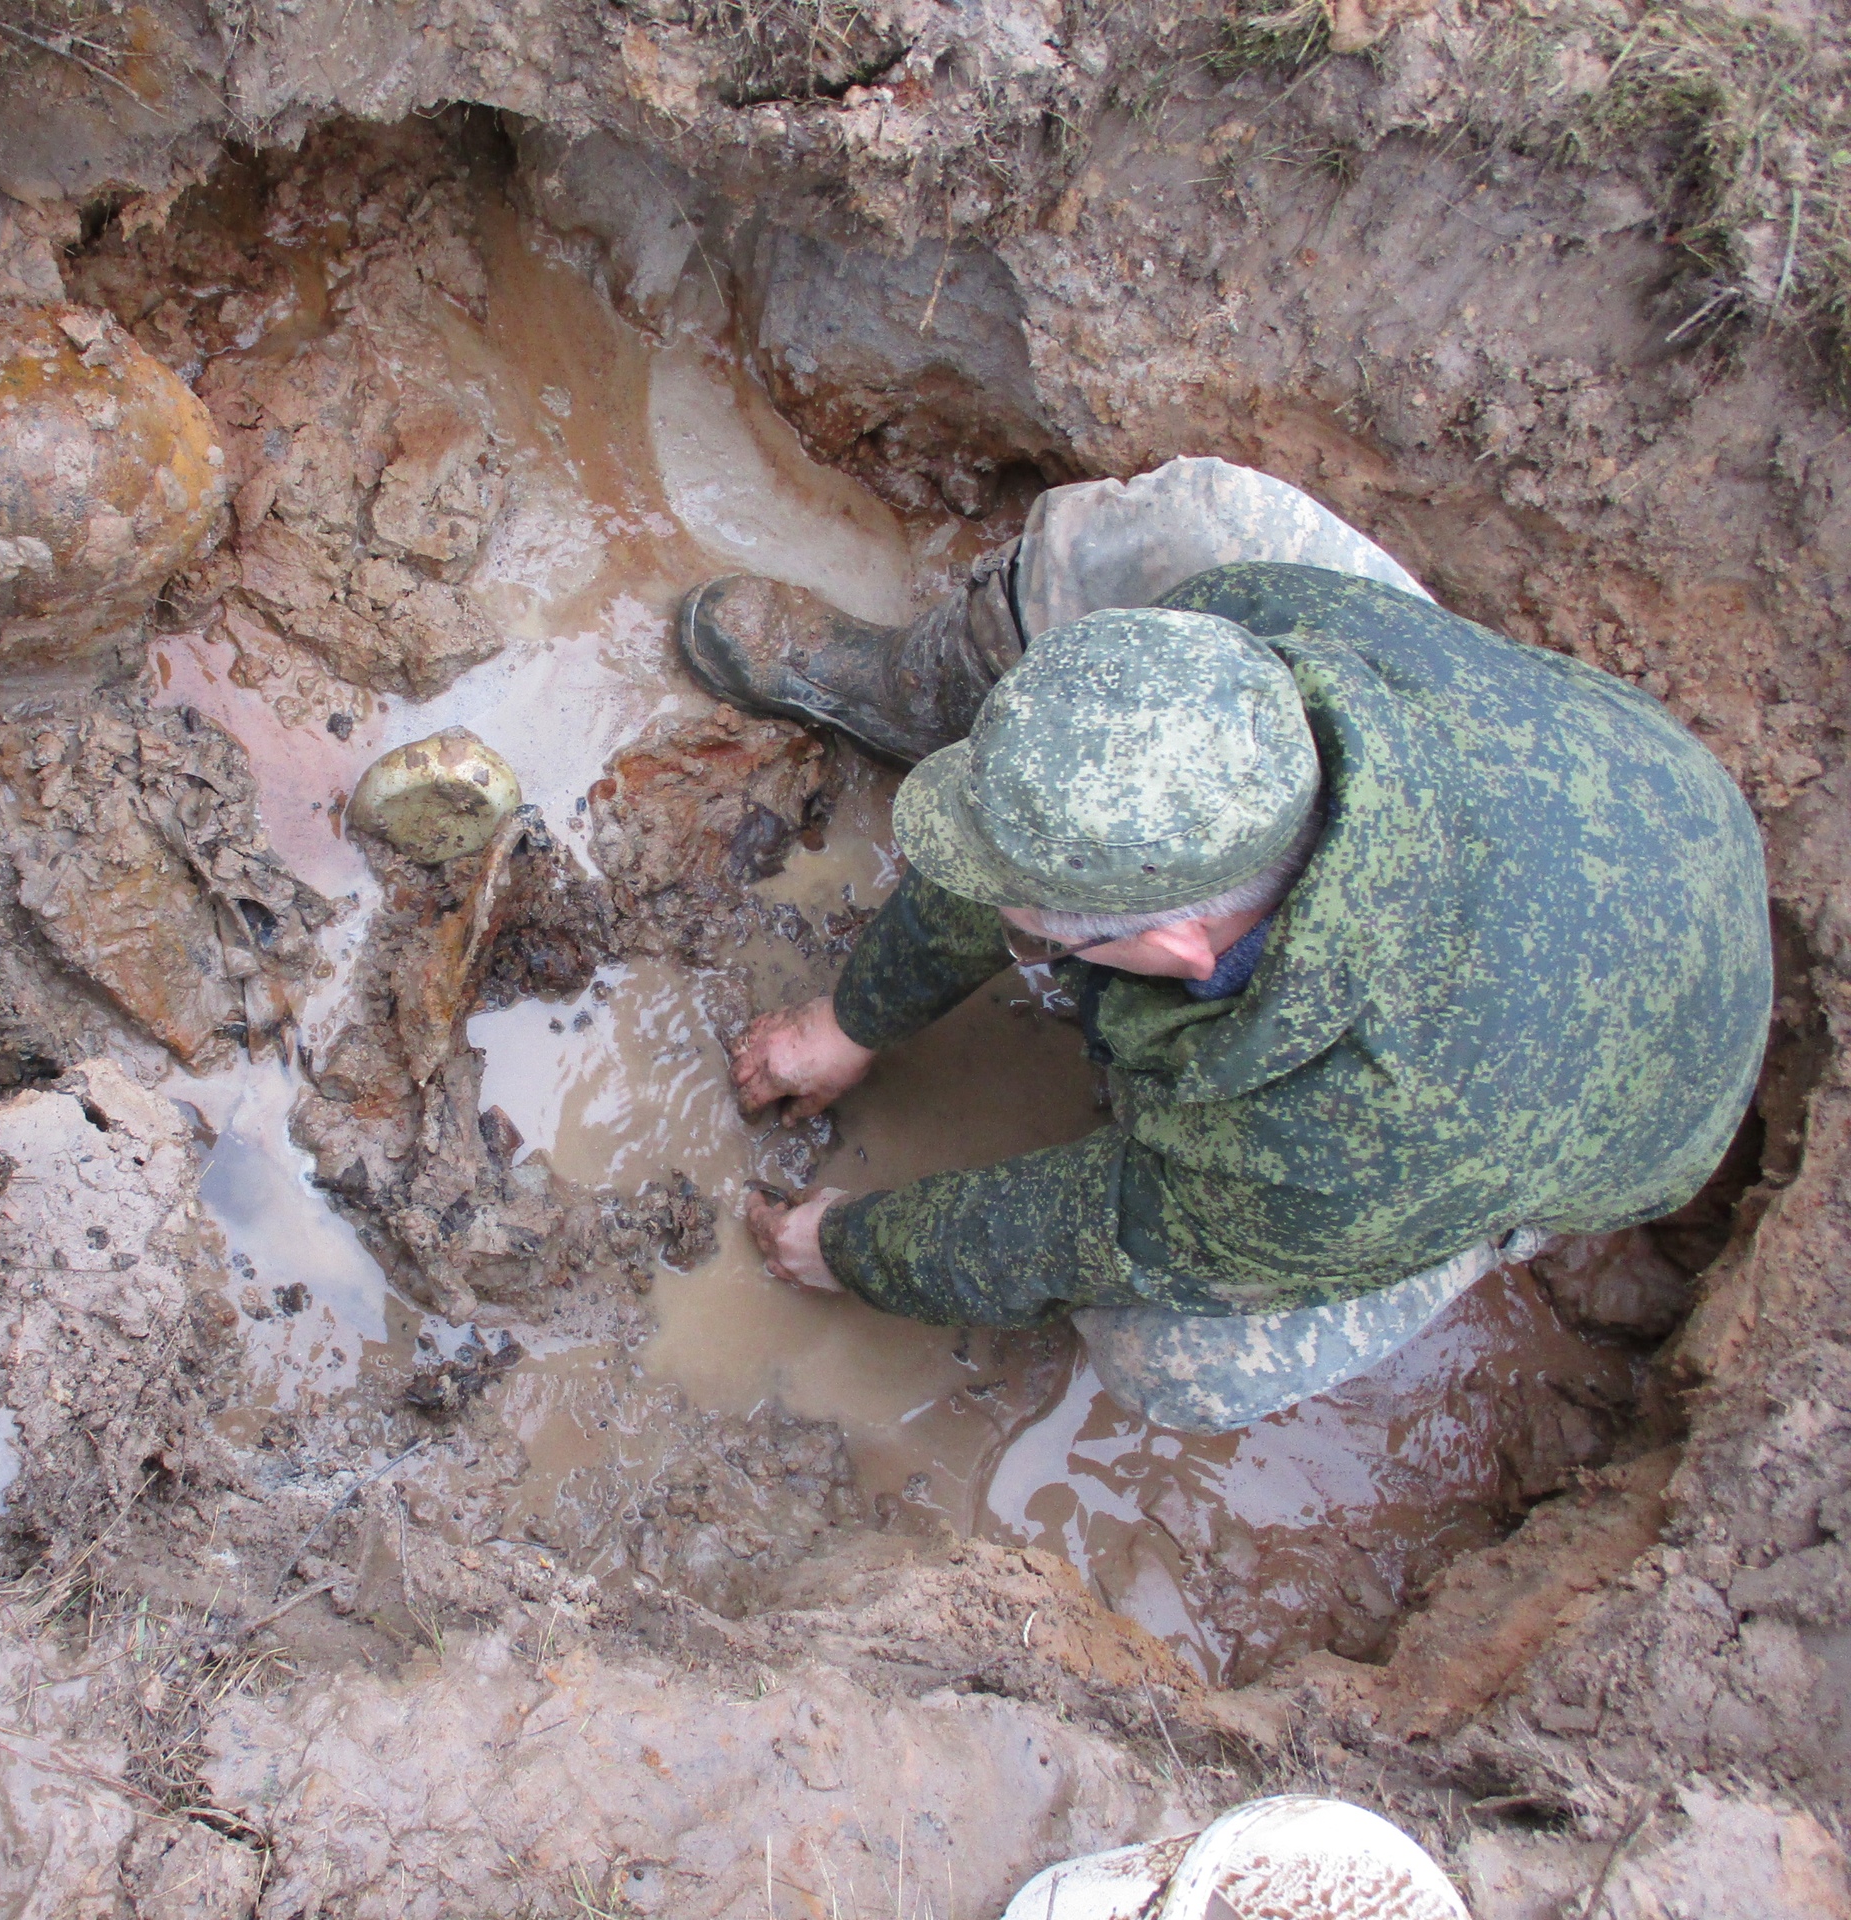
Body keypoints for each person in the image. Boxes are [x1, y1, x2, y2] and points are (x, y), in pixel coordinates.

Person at [688, 458, 1772, 1431]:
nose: (1014, 920)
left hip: (1562, 1112)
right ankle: (915, 684)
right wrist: (853, 1019)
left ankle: (1469, 1234)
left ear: (1176, 946)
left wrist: (847, 1248)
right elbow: (1045, 853)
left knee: (1173, 1369)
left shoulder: (1344, 1154)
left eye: (1037, 929)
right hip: (1603, 794)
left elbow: (1086, 1230)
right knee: (1184, 530)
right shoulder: (1246, 644)